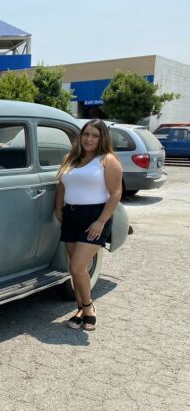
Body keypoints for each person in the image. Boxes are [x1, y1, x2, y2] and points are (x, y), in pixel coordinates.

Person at [55, 119, 123, 331]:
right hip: (71, 216)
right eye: (86, 134)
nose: (89, 139)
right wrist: (59, 211)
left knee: (77, 266)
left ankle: (88, 307)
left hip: (94, 217)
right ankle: (80, 309)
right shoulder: (71, 158)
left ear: (102, 138)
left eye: (95, 135)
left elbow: (115, 194)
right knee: (75, 270)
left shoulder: (108, 160)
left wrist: (101, 221)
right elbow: (62, 187)